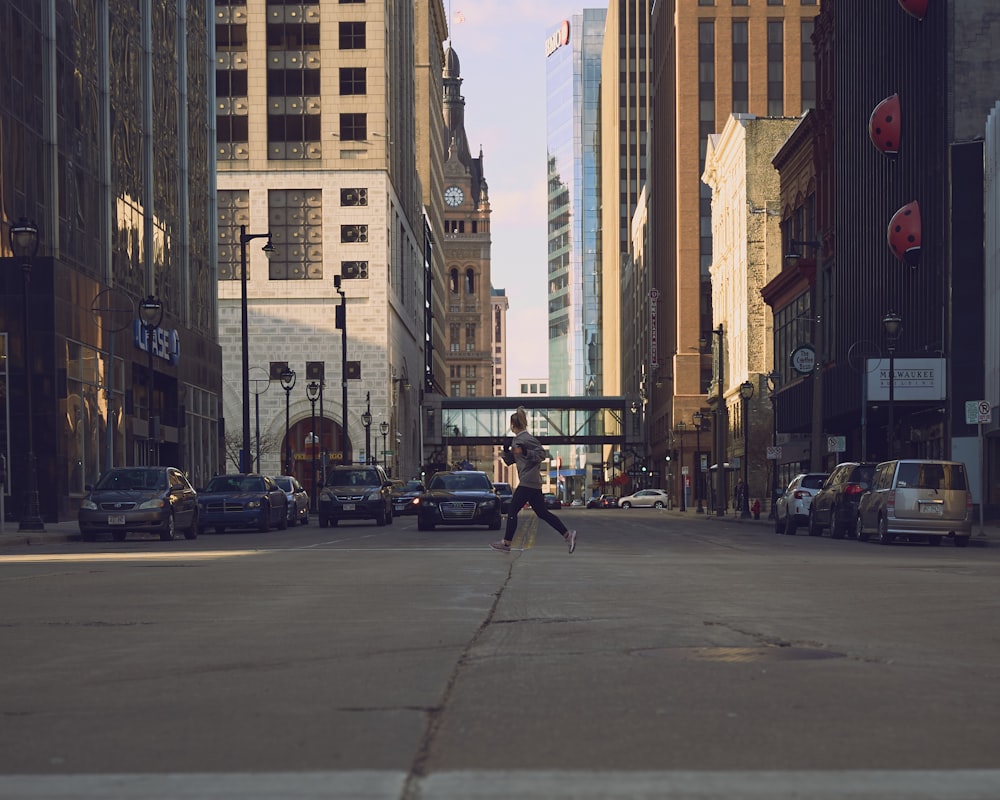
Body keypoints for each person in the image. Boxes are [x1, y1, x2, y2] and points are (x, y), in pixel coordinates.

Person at [491, 407, 576, 554]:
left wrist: (525, 451)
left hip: (528, 481)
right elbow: (511, 461)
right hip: (531, 481)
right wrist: (506, 450)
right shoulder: (517, 440)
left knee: (512, 510)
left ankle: (506, 544)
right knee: (542, 513)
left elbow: (542, 454)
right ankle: (568, 535)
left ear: (513, 424)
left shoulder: (526, 439)